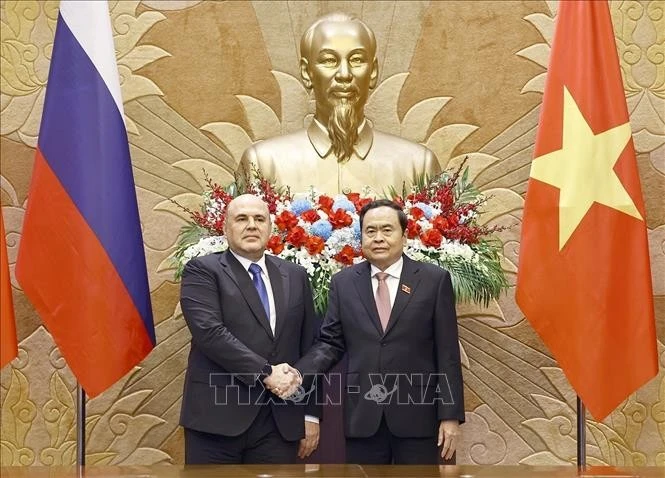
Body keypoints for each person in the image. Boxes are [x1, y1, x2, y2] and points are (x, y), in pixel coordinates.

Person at [290, 199, 464, 464]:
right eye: (370, 231)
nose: (378, 238)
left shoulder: (433, 280)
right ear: (362, 238)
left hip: (418, 415)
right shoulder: (344, 283)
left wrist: (450, 415)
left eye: (387, 230)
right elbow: (330, 343)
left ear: (404, 235)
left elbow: (447, 352)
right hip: (363, 415)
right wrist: (298, 372)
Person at [179, 194, 320, 464]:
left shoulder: (295, 275)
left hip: (279, 423)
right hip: (216, 421)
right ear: (225, 228)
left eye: (259, 219)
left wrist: (310, 414)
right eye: (241, 219)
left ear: (270, 227)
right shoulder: (202, 270)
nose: (252, 225)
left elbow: (308, 347)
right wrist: (266, 373)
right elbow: (210, 332)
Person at [240, 13, 440, 194]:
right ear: (306, 73)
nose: (344, 74)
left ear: (373, 72)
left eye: (357, 60)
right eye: (329, 60)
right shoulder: (264, 164)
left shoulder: (417, 165)